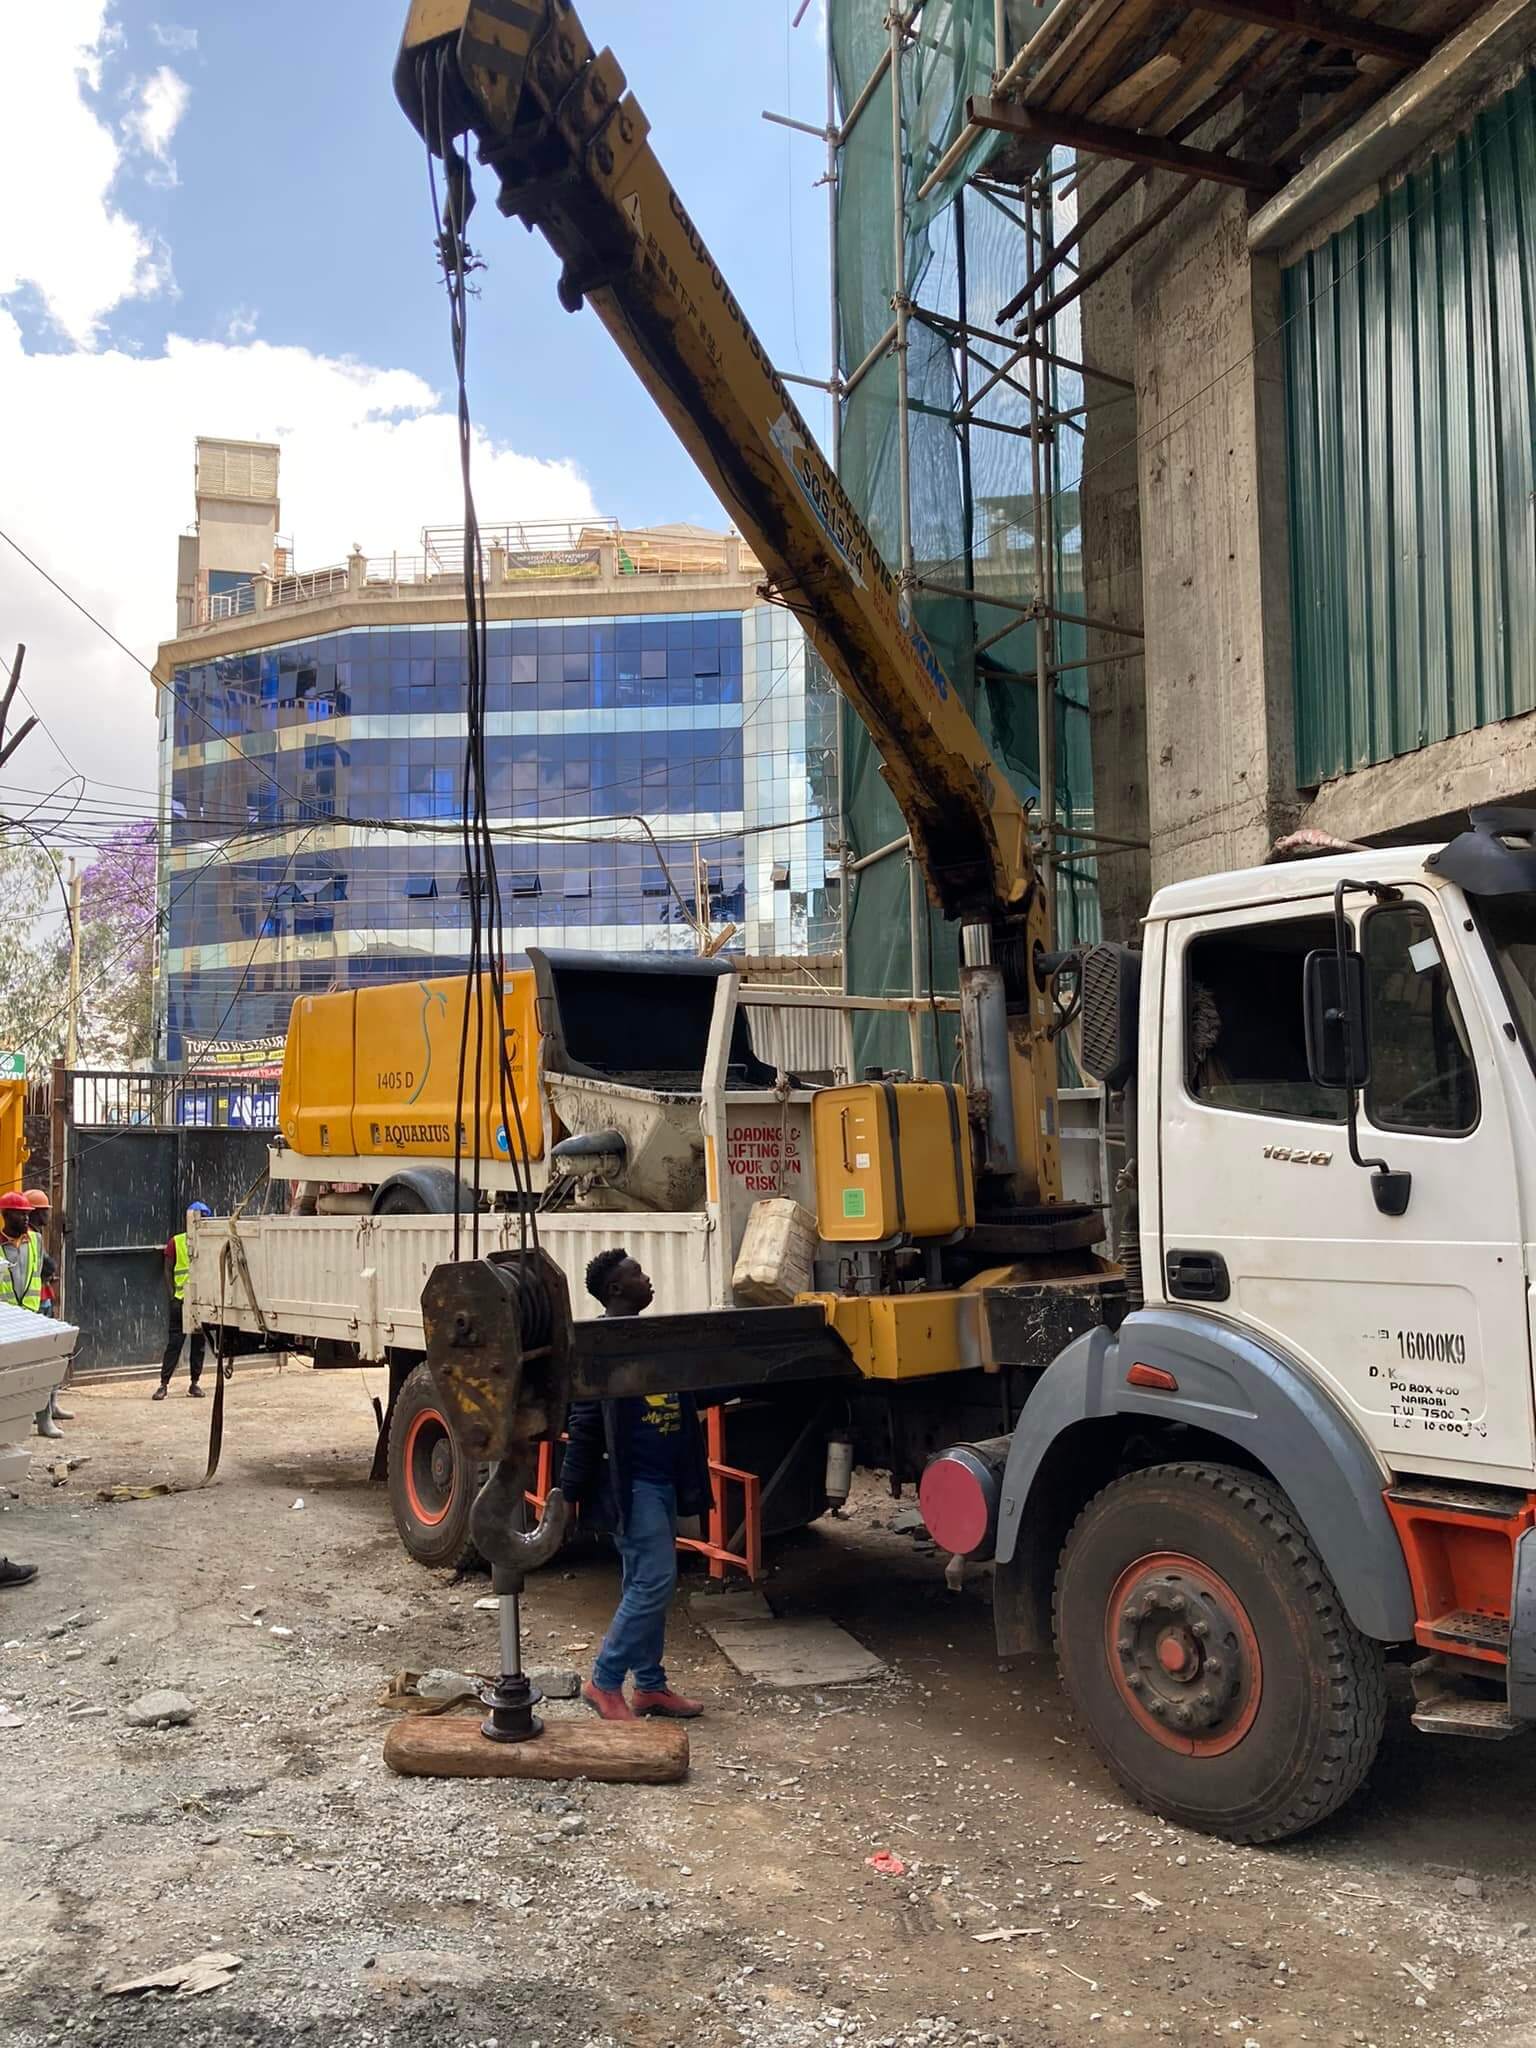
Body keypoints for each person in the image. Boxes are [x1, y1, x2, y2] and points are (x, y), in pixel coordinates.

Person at [560, 1248, 711, 1723]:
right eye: (638, 1275)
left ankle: (649, 1687)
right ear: (616, 1290)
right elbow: (583, 1426)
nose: (648, 1280)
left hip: (664, 1480)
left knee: (643, 1582)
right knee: (654, 1581)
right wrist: (568, 1494)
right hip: (635, 1486)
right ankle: (604, 1682)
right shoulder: (602, 1345)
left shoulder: (650, 1338)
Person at [0, 1191, 61, 1439]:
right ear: (5, 1215)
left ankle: (45, 1418)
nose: (26, 1219)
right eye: (20, 1214)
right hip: (6, 1318)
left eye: (27, 1214)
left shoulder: (35, 1241)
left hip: (33, 1315)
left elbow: (42, 1269)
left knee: (42, 1368)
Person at [155, 1202, 211, 1400]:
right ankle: (164, 1384)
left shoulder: (209, 1243)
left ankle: (194, 1384)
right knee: (175, 1343)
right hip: (181, 1301)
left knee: (199, 1344)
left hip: (201, 1301)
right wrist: (172, 1298)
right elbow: (167, 1270)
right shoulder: (176, 1242)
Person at [25, 1189, 70, 1424]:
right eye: (44, 1212)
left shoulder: (35, 1236)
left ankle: (50, 1405)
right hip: (32, 1304)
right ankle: (41, 1410)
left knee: (52, 1355)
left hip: (43, 1299)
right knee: (40, 1359)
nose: (47, 1216)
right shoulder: (28, 1238)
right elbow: (47, 1265)